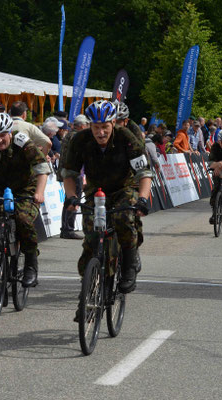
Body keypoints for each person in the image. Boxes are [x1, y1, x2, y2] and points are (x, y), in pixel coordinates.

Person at [62, 100, 152, 296]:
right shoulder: (80, 140)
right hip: (96, 191)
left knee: (123, 219)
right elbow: (69, 174)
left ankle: (129, 264)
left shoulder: (126, 137)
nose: (100, 132)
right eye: (96, 127)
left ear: (113, 123)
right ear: (89, 125)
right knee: (91, 233)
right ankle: (90, 282)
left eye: (105, 127)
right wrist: (71, 197)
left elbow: (144, 173)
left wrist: (143, 199)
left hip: (123, 188)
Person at [0, 113, 50, 287]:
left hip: (25, 187)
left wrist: (39, 193)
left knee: (23, 219)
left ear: (10, 132)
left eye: (2, 135)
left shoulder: (23, 143)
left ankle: (31, 264)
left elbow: (42, 168)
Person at [58, 114, 87, 240]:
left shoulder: (68, 135)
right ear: (81, 126)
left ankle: (66, 228)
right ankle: (68, 229)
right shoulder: (77, 136)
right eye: (86, 125)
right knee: (74, 199)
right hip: (74, 172)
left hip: (66, 171)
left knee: (69, 199)